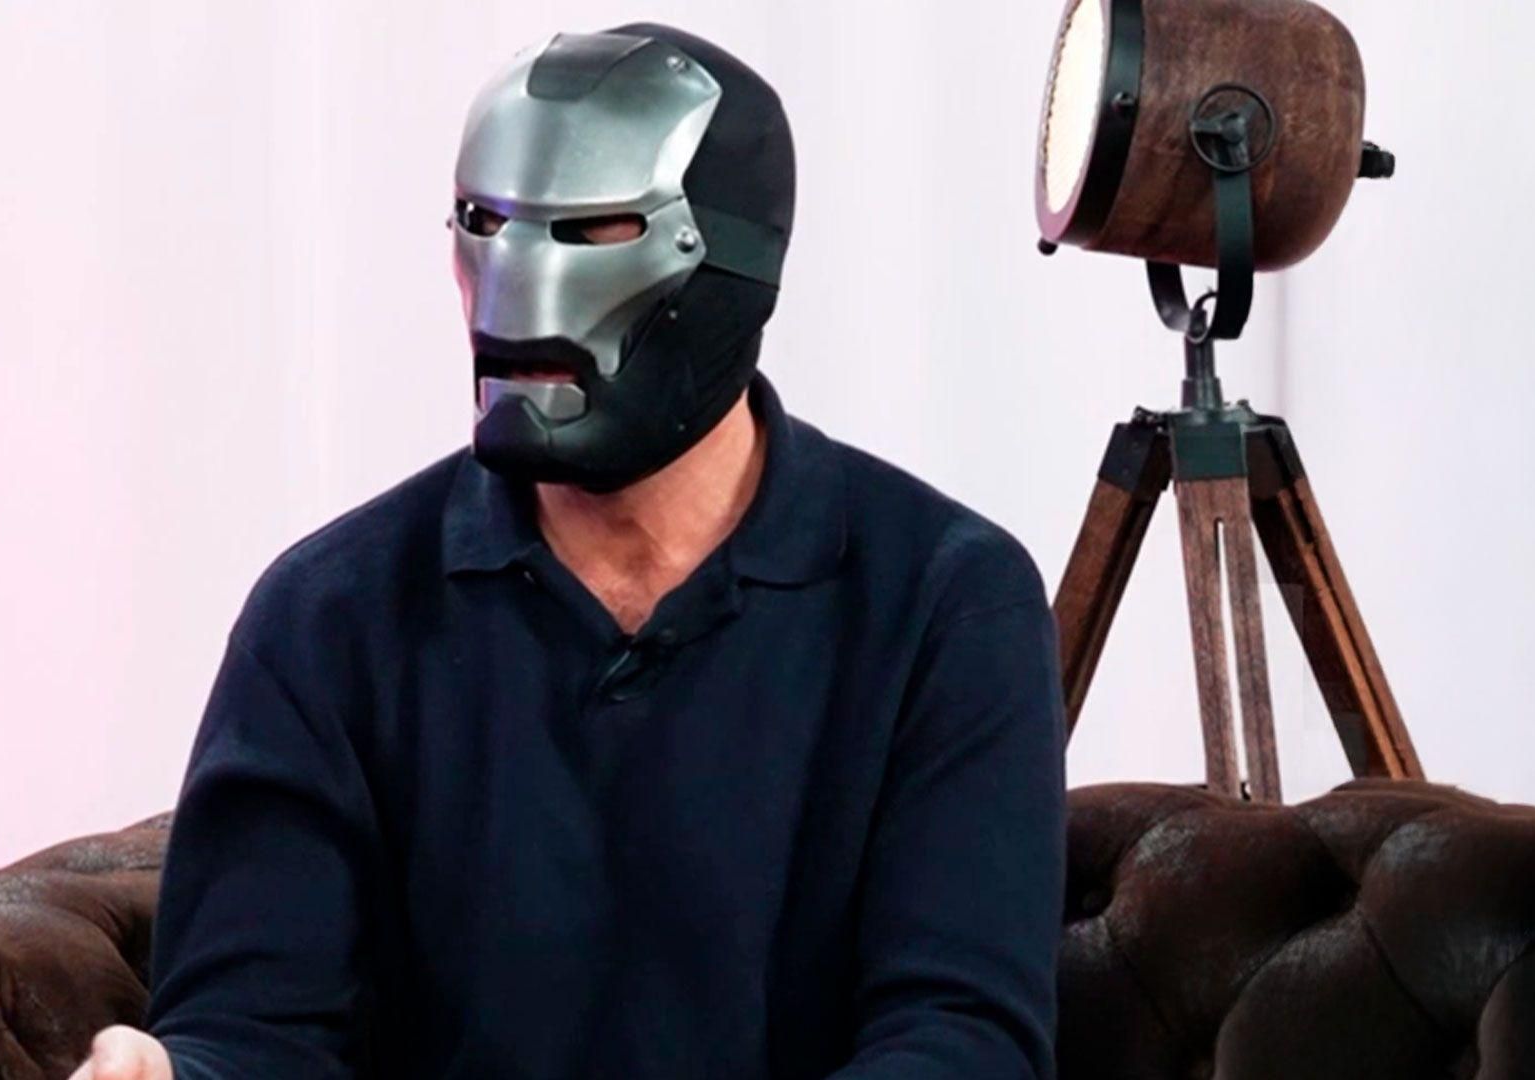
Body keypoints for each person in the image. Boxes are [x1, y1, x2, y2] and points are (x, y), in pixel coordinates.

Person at [71, 22, 1065, 1080]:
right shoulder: (328, 617)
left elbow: (961, 1041)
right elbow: (255, 1024)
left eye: (594, 231)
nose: (523, 282)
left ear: (735, 263)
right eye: (486, 224)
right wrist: (175, 1075)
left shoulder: (946, 603)